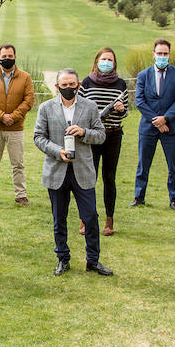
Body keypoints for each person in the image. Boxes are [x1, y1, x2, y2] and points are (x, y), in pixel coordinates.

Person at [34, 68, 114, 277]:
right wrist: (57, 151)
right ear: (57, 86)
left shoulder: (89, 107)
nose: (68, 88)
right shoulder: (46, 108)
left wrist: (84, 132)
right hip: (56, 170)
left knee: (90, 218)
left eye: (72, 84)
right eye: (64, 85)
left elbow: (101, 135)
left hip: (83, 171)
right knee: (59, 219)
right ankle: (63, 259)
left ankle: (93, 260)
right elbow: (39, 137)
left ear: (78, 85)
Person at [78, 47, 128, 236]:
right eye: (103, 58)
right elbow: (79, 109)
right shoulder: (87, 83)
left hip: (113, 136)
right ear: (97, 60)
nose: (106, 62)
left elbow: (126, 112)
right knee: (89, 178)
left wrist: (121, 109)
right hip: (91, 137)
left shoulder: (121, 84)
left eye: (110, 59)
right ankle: (85, 219)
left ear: (114, 63)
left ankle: (109, 221)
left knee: (109, 178)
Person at [133, 39, 175, 210]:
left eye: (165, 54)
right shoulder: (143, 75)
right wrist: (156, 120)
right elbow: (140, 101)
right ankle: (139, 196)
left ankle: (174, 198)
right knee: (143, 163)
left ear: (169, 54)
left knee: (173, 165)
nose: (162, 56)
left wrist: (166, 118)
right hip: (149, 127)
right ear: (153, 54)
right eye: (159, 53)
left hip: (171, 127)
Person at [0, 44, 35, 206]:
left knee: (17, 164)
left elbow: (29, 100)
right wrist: (1, 116)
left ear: (15, 57)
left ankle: (21, 195)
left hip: (16, 129)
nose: (7, 59)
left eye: (10, 56)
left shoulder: (25, 77)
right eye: (4, 56)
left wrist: (14, 116)